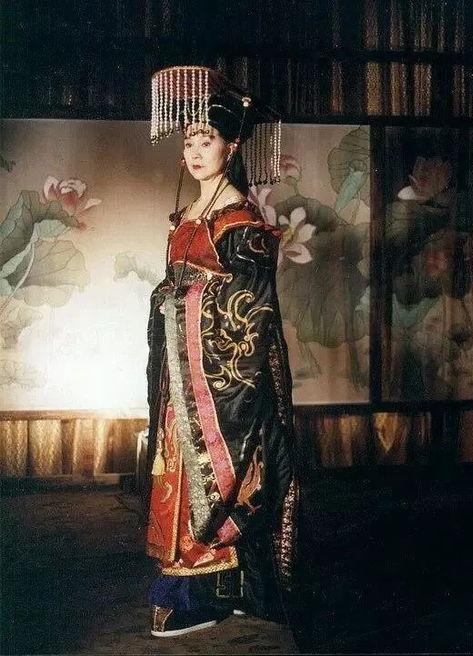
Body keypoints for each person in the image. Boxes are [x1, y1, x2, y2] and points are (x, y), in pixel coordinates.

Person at [144, 65, 298, 638]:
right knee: (178, 466)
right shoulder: (188, 214)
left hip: (223, 382)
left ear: (231, 147)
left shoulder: (240, 222)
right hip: (184, 376)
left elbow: (252, 309)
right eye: (188, 139)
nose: (194, 151)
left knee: (214, 473)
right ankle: (194, 587)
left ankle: (207, 589)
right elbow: (178, 287)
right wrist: (169, 297)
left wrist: (182, 300)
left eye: (205, 139)